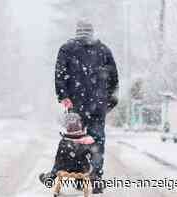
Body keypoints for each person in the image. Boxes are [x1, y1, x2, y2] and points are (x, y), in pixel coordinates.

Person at [40, 19, 119, 194]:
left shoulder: (67, 49)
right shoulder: (104, 50)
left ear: (77, 32)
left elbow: (60, 74)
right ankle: (95, 178)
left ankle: (70, 174)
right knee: (97, 140)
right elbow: (113, 78)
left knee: (73, 141)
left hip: (76, 104)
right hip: (98, 105)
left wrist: (64, 96)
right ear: (92, 32)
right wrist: (110, 102)